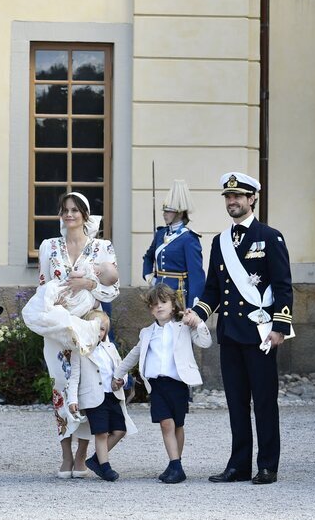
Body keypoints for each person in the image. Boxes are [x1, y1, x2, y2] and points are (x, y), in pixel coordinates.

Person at [185, 172, 293, 485]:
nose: (233, 201)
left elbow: (283, 286)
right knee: (235, 403)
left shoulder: (269, 237)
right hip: (230, 334)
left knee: (263, 401)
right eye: (228, 197)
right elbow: (213, 290)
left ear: (252, 199)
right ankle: (239, 465)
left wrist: (279, 327)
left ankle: (268, 465)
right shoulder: (219, 242)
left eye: (239, 196)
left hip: (260, 334)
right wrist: (199, 314)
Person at [34, 191, 120, 478]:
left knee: (88, 389)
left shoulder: (101, 248)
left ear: (84, 214)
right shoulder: (50, 246)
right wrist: (51, 303)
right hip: (58, 328)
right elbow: (43, 284)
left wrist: (87, 285)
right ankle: (65, 455)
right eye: (65, 210)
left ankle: (83, 455)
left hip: (88, 325)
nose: (69, 214)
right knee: (60, 387)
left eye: (75, 210)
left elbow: (112, 288)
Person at [112, 282, 212, 484]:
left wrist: (198, 322)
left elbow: (205, 342)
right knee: (166, 424)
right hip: (157, 385)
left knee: (178, 425)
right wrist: (119, 373)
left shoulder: (183, 326)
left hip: (178, 384)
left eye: (164, 302)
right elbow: (134, 354)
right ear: (151, 309)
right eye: (155, 304)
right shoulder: (147, 332)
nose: (159, 307)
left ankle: (176, 464)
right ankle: (175, 465)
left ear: (173, 305)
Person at [67, 310, 136, 482]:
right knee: (101, 433)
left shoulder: (110, 348)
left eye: (103, 329)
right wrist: (72, 399)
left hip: (112, 395)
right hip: (93, 398)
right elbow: (74, 377)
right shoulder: (80, 350)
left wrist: (121, 380)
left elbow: (121, 368)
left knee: (120, 430)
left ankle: (96, 460)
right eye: (95, 328)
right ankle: (105, 467)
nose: (99, 333)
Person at [142, 179, 204, 309]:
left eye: (168, 211)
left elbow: (196, 275)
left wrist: (193, 305)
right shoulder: (161, 234)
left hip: (179, 295)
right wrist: (149, 277)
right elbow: (148, 257)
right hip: (158, 293)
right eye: (164, 211)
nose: (164, 214)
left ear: (180, 213)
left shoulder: (189, 238)